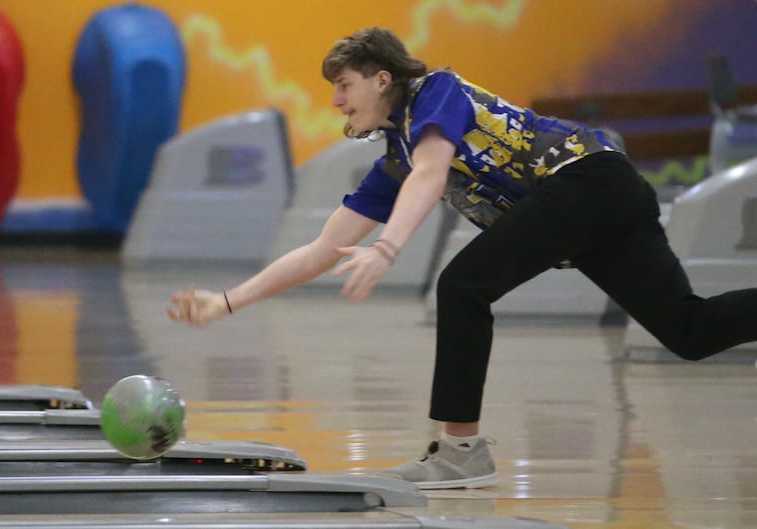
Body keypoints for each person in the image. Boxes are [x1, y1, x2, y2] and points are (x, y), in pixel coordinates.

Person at [168, 27, 757, 489]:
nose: (336, 102)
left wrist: (388, 248)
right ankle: (460, 454)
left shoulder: (437, 92)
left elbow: (432, 172)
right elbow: (325, 247)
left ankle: (459, 453)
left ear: (381, 79)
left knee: (461, 285)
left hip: (589, 179)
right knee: (689, 329)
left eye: (344, 86)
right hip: (601, 201)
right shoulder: (394, 160)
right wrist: (227, 301)